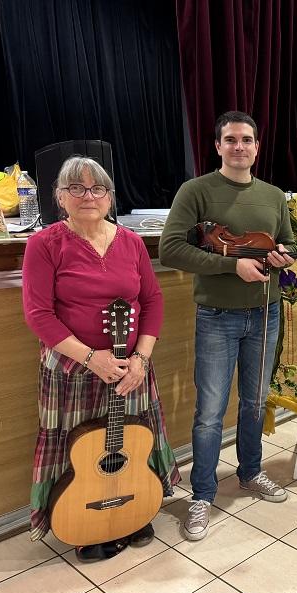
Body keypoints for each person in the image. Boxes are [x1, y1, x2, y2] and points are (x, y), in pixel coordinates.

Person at [22, 156, 180, 563]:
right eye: (76, 188)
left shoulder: (129, 241)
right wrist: (92, 358)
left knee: (132, 439)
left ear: (110, 196)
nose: (87, 196)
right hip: (72, 370)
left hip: (131, 367)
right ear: (59, 196)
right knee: (75, 448)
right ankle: (83, 517)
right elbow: (39, 315)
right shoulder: (44, 244)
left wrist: (142, 358)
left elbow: (152, 300)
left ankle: (134, 506)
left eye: (97, 189)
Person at [159, 110, 295, 542]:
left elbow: (286, 242)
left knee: (255, 402)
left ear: (257, 146)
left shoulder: (274, 196)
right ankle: (202, 494)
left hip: (266, 314)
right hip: (217, 317)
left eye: (248, 140)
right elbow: (171, 250)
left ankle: (252, 471)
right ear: (217, 146)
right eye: (231, 139)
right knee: (210, 413)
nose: (240, 147)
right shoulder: (196, 191)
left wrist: (283, 257)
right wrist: (231, 266)